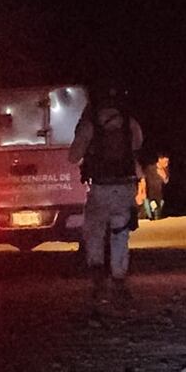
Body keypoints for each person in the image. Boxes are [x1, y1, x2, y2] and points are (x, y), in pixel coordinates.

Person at [69, 87, 143, 305]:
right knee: (120, 232)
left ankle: (97, 274)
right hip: (125, 185)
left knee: (95, 230)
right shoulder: (129, 122)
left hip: (100, 187)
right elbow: (138, 145)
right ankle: (119, 277)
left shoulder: (90, 124)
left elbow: (73, 157)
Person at [143, 153, 170, 220]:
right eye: (165, 161)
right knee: (154, 211)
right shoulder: (150, 169)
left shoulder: (166, 170)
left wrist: (165, 177)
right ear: (159, 160)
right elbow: (146, 181)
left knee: (159, 213)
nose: (167, 164)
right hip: (151, 195)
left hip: (161, 196)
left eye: (167, 162)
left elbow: (167, 182)